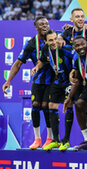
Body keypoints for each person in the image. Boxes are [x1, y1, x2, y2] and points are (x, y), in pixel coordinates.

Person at [2, 17, 53, 150]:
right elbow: (18, 63)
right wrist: (8, 81)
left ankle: (49, 138)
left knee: (47, 107)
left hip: (53, 80)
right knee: (35, 106)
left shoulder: (55, 38)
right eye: (41, 24)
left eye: (46, 23)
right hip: (38, 80)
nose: (45, 26)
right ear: (36, 27)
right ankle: (37, 139)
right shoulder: (31, 44)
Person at [31, 30, 74, 151]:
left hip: (69, 82)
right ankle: (56, 140)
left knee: (68, 106)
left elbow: (78, 59)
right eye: (51, 40)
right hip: (57, 81)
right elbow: (43, 61)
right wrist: (36, 67)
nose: (54, 42)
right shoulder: (46, 49)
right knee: (51, 106)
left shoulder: (67, 49)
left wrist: (73, 72)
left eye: (56, 39)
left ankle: (66, 140)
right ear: (46, 42)